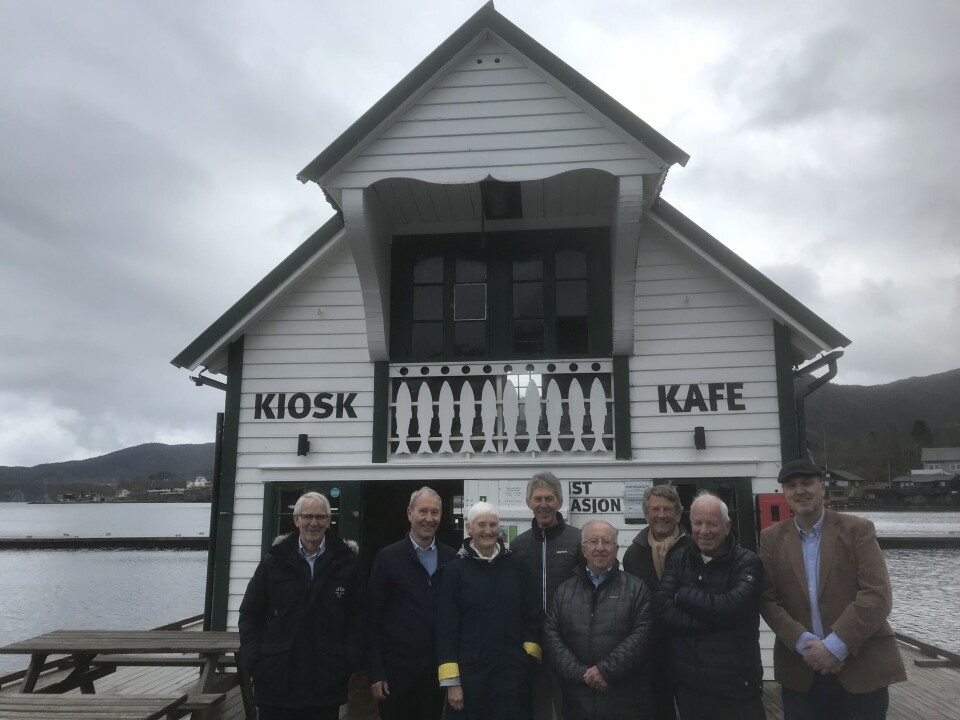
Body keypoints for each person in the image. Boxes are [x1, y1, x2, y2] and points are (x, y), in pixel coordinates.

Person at [760, 459, 906, 719]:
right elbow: (768, 599)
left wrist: (835, 646)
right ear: (784, 493)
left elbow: (877, 594)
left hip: (862, 670)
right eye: (791, 486)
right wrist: (804, 643)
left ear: (822, 487)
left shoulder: (858, 529)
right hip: (801, 673)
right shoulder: (771, 538)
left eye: (807, 483)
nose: (800, 491)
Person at [238, 491, 365, 720]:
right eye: (307, 516)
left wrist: (347, 662)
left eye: (320, 517)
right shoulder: (273, 561)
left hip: (325, 683)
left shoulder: (347, 563)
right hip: (275, 682)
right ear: (296, 520)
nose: (313, 523)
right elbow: (249, 614)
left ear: (329, 521)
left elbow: (358, 617)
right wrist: (255, 661)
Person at [653, 492, 765, 720]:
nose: (704, 530)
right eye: (698, 523)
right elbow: (661, 607)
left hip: (737, 686)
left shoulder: (747, 562)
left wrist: (683, 595)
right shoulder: (679, 558)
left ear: (727, 526)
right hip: (691, 687)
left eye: (712, 524)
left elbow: (731, 608)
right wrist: (714, 621)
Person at [437, 501, 543, 720]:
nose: (488, 530)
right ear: (469, 529)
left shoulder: (517, 566)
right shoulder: (454, 571)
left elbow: (532, 614)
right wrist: (452, 682)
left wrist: (527, 658)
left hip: (512, 678)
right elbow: (446, 628)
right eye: (481, 524)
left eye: (493, 525)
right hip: (470, 680)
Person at [545, 520, 652, 720]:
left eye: (607, 542)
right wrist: (580, 673)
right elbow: (552, 635)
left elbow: (641, 635)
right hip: (577, 701)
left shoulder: (637, 588)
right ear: (583, 549)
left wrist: (605, 671)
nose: (600, 548)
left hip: (624, 701)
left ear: (616, 548)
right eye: (593, 541)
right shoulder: (564, 591)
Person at [366, 487, 456, 720]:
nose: (429, 518)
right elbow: (371, 620)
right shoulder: (387, 558)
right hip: (396, 674)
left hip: (437, 674)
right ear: (409, 513)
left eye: (434, 512)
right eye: (423, 511)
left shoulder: (453, 559)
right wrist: (376, 672)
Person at [510, 472, 582, 720]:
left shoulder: (578, 540)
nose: (543, 505)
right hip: (533, 643)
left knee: (571, 706)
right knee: (536, 706)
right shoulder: (518, 546)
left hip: (570, 640)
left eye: (549, 498)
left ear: (559, 502)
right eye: (537, 499)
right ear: (528, 503)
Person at [622, 484, 691, 720]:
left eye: (668, 509)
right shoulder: (633, 555)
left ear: (678, 514)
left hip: (690, 647)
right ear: (646, 514)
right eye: (655, 509)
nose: (661, 515)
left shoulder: (694, 549)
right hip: (651, 650)